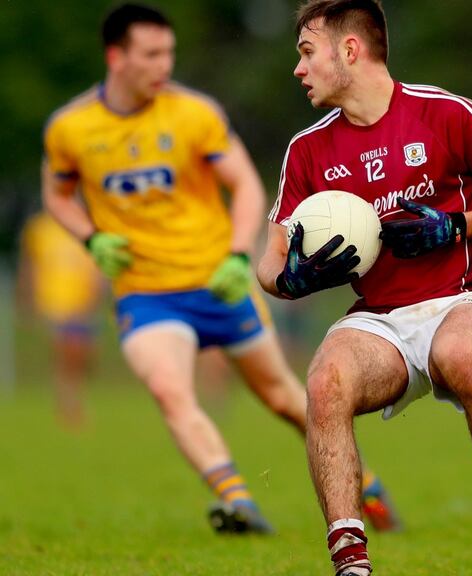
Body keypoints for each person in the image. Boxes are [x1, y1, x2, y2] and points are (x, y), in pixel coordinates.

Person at [42, 2, 398, 535]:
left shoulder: (194, 113)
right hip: (147, 292)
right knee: (169, 389)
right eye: (151, 54)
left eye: (169, 53)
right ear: (116, 57)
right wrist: (90, 238)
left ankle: (366, 484)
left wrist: (238, 254)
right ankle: (238, 502)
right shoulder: (71, 128)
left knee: (281, 396)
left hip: (219, 280)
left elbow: (248, 186)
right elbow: (57, 195)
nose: (165, 64)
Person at [257, 1, 472, 574]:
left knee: (459, 357)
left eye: (306, 52)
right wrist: (291, 280)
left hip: (465, 298)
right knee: (324, 383)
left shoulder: (444, 113)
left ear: (349, 50)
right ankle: (352, 565)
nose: (298, 69)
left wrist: (456, 225)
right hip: (379, 320)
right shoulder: (307, 150)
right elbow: (269, 262)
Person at [19, 211, 104, 428]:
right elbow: (30, 265)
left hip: (83, 302)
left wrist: (98, 290)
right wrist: (27, 297)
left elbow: (96, 264)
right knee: (65, 353)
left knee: (84, 356)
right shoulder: (40, 228)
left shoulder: (86, 226)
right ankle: (68, 404)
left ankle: (73, 396)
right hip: (54, 301)